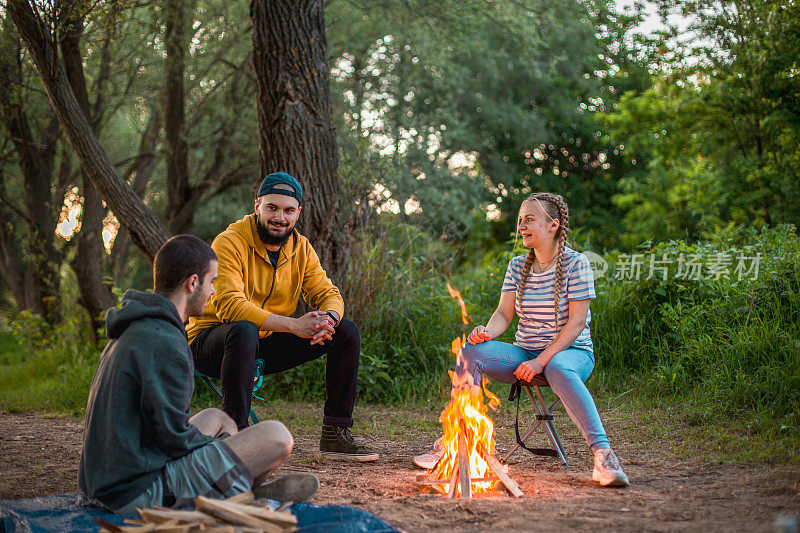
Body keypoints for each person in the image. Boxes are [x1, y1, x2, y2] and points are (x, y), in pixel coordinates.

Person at [79, 235, 319, 514]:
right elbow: (174, 440)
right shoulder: (165, 339)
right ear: (193, 283)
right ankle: (237, 491)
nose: (214, 292)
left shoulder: (135, 327)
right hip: (136, 492)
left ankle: (234, 484)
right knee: (277, 436)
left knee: (218, 417)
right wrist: (220, 449)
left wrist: (224, 445)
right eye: (213, 281)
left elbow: (162, 428)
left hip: (108, 479)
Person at [413, 192, 629, 487]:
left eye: (530, 220)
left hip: (571, 353)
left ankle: (604, 455)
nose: (521, 226)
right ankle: (457, 442)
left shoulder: (576, 264)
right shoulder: (517, 266)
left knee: (557, 367)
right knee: (470, 351)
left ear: (553, 225)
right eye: (520, 221)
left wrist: (541, 361)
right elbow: (503, 313)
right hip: (524, 352)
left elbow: (577, 322)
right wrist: (487, 332)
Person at [186, 172, 378, 462]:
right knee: (243, 329)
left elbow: (329, 294)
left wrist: (329, 320)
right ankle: (235, 436)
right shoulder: (229, 242)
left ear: (298, 213)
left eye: (289, 210)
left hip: (262, 340)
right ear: (257, 206)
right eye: (272, 208)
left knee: (346, 331)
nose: (280, 217)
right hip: (212, 341)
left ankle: (335, 435)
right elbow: (230, 307)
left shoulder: (300, 248)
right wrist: (294, 326)